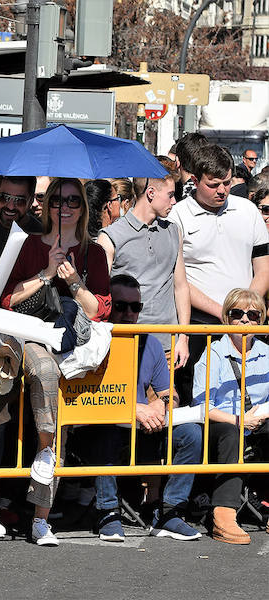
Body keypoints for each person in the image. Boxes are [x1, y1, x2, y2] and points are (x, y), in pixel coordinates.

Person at [1, 177, 111, 547]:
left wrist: (75, 281)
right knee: (46, 375)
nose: (64, 207)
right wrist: (46, 273)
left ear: (83, 208)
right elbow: (8, 300)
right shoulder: (28, 245)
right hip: (33, 337)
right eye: (57, 200)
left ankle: (41, 520)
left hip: (73, 345)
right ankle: (46, 454)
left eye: (73, 201)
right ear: (46, 206)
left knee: (58, 418)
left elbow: (97, 310)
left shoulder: (93, 252)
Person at [87, 275, 202, 542]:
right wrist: (132, 409)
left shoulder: (149, 341)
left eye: (135, 307)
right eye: (120, 306)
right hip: (101, 425)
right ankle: (107, 512)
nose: (129, 313)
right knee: (107, 432)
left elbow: (169, 395)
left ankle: (170, 512)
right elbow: (87, 396)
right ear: (108, 306)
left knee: (192, 435)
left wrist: (158, 406)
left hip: (145, 427)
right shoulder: (95, 340)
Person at [168, 144, 269, 401]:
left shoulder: (247, 210)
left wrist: (244, 310)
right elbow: (179, 280)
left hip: (248, 323)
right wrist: (222, 311)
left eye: (226, 182)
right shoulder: (178, 216)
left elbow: (263, 267)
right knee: (200, 399)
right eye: (213, 185)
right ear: (194, 180)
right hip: (201, 324)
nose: (222, 190)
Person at [192, 288, 269, 545]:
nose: (245, 320)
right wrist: (238, 420)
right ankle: (223, 514)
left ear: (262, 320)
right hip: (221, 425)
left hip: (258, 423)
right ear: (226, 318)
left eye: (253, 315)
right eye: (237, 314)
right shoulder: (213, 353)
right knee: (231, 432)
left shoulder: (268, 354)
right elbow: (202, 407)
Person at [98, 156, 190, 367]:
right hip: (124, 344)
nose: (174, 201)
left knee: (167, 401)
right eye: (170, 195)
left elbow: (181, 287)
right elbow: (101, 295)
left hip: (167, 345)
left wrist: (183, 336)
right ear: (151, 193)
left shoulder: (173, 231)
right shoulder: (111, 236)